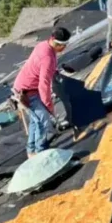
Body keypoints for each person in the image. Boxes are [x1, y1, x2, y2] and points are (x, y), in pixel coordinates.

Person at [12, 27, 71, 155]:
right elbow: (43, 85)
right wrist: (49, 107)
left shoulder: (44, 45)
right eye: (64, 45)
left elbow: (41, 69)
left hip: (23, 87)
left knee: (35, 120)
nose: (65, 48)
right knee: (44, 120)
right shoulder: (47, 58)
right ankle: (40, 152)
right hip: (26, 92)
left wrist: (54, 71)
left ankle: (31, 150)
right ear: (58, 44)